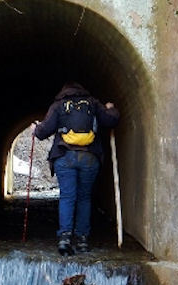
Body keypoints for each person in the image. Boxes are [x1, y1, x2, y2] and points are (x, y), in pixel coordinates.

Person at [32, 82, 120, 255]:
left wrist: (35, 129)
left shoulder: (59, 105)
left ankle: (65, 238)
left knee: (67, 197)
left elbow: (43, 132)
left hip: (65, 157)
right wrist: (111, 109)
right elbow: (111, 120)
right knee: (84, 198)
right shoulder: (93, 103)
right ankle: (82, 240)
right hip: (89, 157)